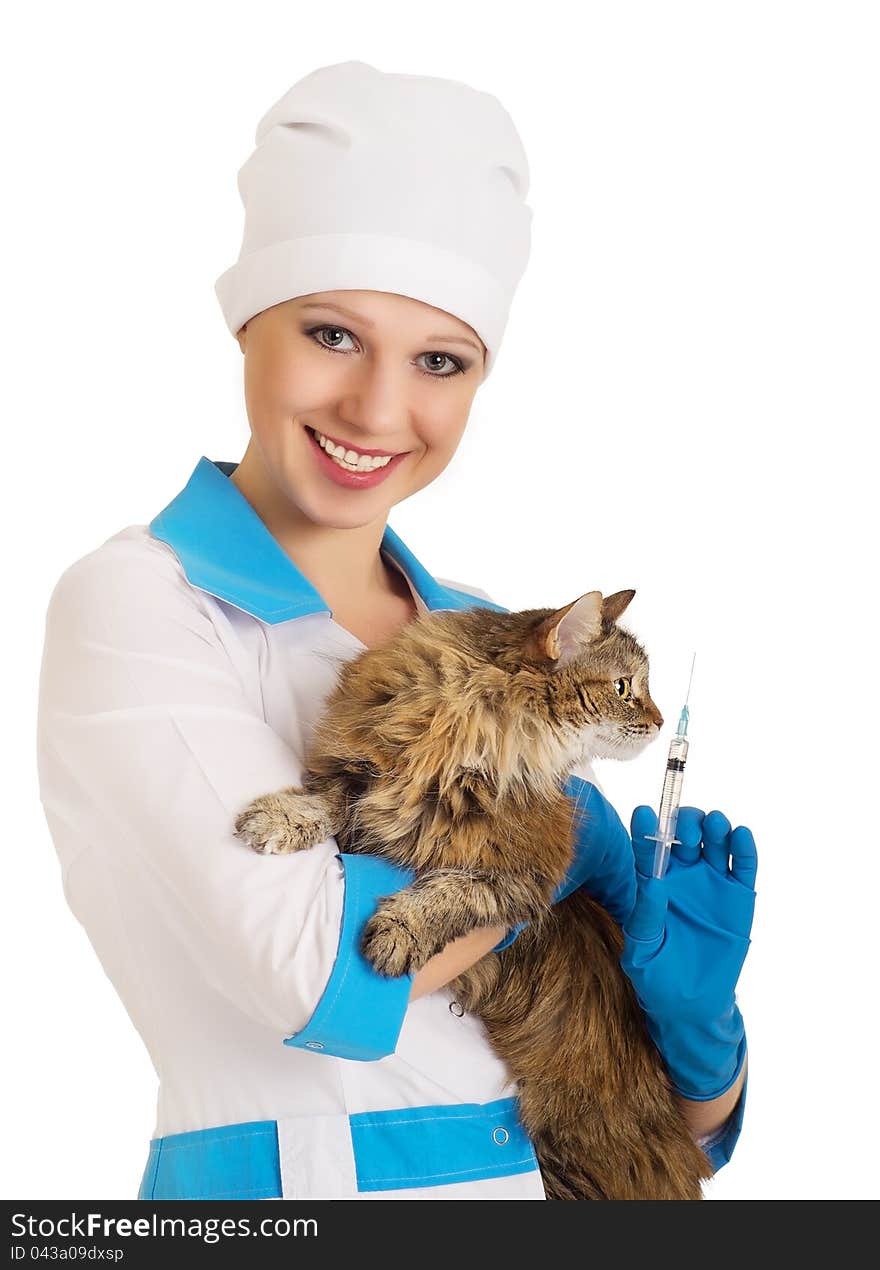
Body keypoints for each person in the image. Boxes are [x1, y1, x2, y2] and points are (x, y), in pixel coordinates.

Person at [36, 60, 755, 1201]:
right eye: (331, 333)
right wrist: (545, 868)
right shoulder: (141, 603)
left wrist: (694, 1027)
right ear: (244, 327)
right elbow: (317, 964)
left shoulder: (477, 629)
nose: (377, 410)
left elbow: (679, 1131)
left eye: (438, 361)